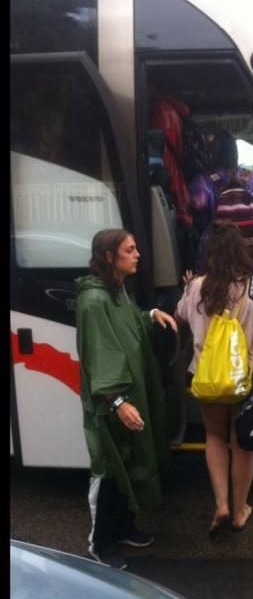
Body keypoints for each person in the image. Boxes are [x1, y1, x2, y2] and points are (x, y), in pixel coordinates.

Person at [175, 220, 253, 533]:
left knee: (214, 437)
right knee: (242, 443)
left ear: (208, 253)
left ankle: (221, 504)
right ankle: (239, 511)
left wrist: (187, 287)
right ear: (241, 251)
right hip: (248, 377)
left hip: (207, 377)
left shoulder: (196, 287)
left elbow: (178, 318)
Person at [76, 228, 177, 569]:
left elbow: (129, 321)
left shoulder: (117, 291)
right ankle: (100, 543)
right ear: (109, 257)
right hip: (111, 407)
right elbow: (99, 358)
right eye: (130, 250)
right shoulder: (94, 301)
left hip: (128, 399)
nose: (137, 255)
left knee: (130, 464)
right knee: (108, 470)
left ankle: (123, 528)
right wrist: (117, 403)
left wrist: (150, 315)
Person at [189, 129, 253, 273]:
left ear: (212, 153)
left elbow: (198, 205)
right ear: (235, 152)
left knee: (218, 290)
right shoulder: (250, 178)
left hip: (219, 257)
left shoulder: (203, 180)